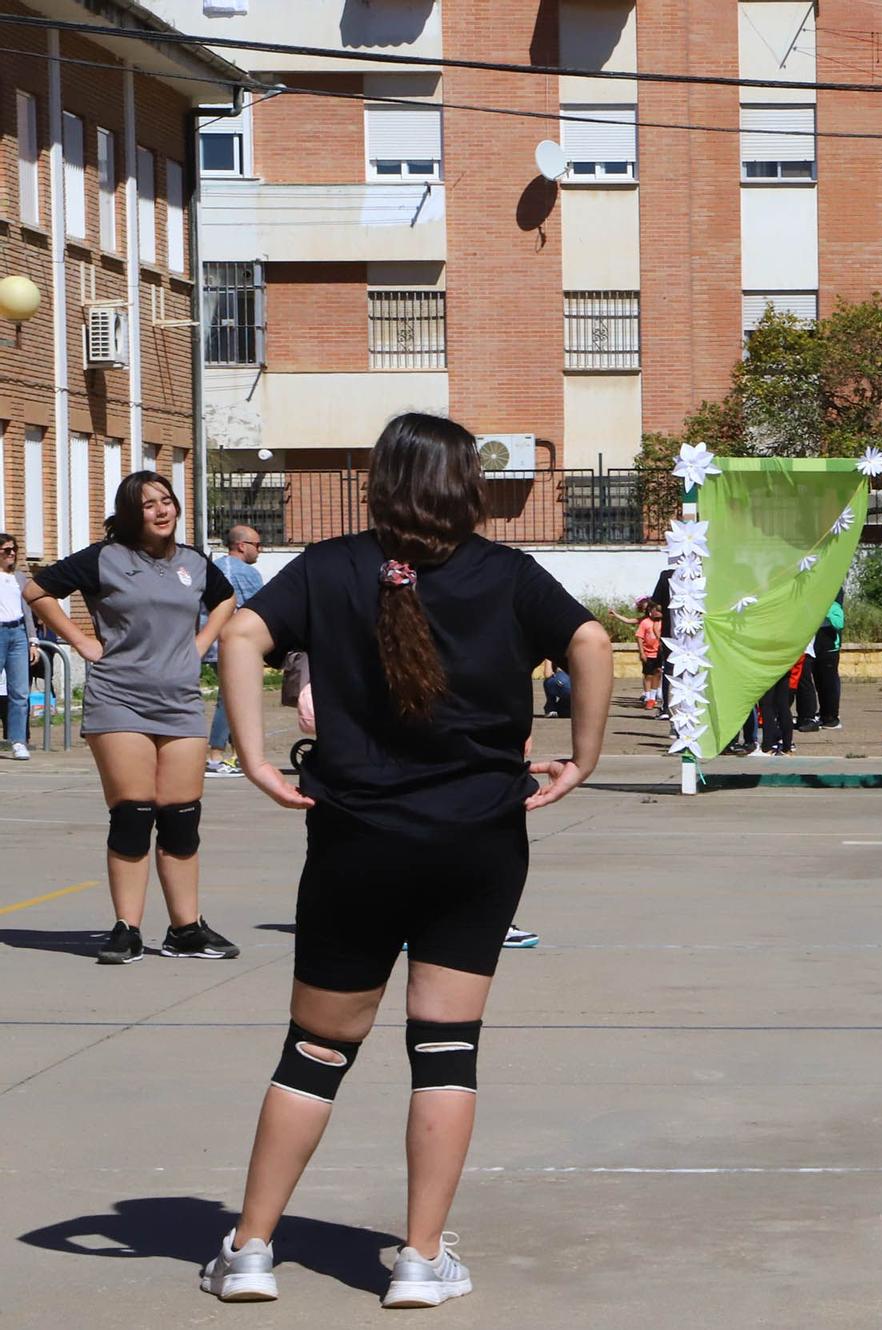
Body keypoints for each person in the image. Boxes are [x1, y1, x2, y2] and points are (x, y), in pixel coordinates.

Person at [201, 412, 610, 1308]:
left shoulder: (331, 565)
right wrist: (583, 757)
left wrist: (259, 758)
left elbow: (239, 637)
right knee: (445, 1052)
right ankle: (421, 1261)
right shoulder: (507, 574)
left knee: (314, 1051)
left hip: (357, 838)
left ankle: (252, 1248)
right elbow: (590, 640)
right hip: (477, 840)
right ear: (466, 483)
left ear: (381, 482)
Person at [25, 472, 241, 965]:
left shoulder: (193, 561)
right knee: (132, 814)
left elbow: (225, 599)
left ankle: (186, 929)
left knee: (181, 819)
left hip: (180, 700)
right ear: (130, 513)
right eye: (149, 505)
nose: (162, 511)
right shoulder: (105, 558)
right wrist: (80, 641)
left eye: (167, 501)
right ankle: (127, 928)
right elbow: (36, 590)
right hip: (119, 698)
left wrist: (202, 644)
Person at [204, 525, 266, 778]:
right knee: (231, 699)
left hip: (212, 641)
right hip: (238, 646)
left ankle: (237, 754)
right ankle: (215, 755)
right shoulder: (246, 573)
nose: (259, 551)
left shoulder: (213, 568)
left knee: (232, 696)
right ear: (242, 545)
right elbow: (260, 608)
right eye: (257, 545)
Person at [2, 532, 38, 761]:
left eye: (14, 549)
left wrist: (33, 640)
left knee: (20, 692)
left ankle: (17, 741)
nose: (12, 554)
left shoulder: (19, 578)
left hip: (18, 634)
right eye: (7, 550)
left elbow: (28, 611)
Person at [796, 591, 845, 732]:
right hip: (815, 648)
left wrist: (825, 609)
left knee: (828, 685)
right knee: (816, 682)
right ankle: (821, 714)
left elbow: (839, 622)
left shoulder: (833, 605)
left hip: (828, 649)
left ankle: (831, 717)